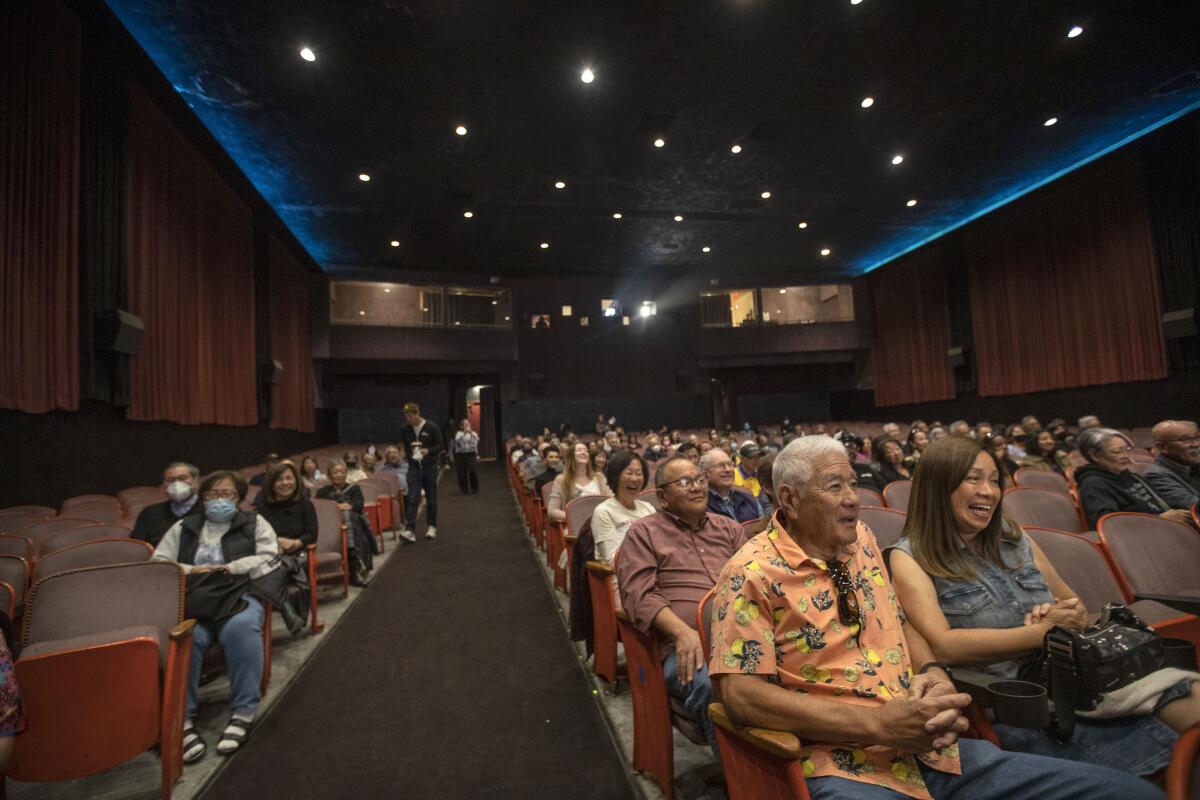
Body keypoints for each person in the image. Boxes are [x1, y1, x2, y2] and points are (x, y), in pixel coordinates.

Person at [709, 436, 1162, 800]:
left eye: (853, 483)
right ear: (788, 498)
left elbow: (897, 619)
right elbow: (741, 695)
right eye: (835, 487)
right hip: (843, 765)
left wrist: (933, 673)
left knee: (1125, 791)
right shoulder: (750, 574)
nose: (853, 499)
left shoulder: (861, 541)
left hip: (934, 751)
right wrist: (878, 725)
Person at [887, 436, 1199, 778]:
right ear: (938, 487)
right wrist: (1041, 631)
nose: (989, 492)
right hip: (1027, 705)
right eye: (974, 479)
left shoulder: (1013, 538)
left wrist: (1062, 616)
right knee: (1173, 757)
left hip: (1078, 677)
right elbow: (944, 645)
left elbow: (1075, 607)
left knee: (1187, 695)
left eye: (994, 480)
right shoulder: (910, 557)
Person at [617, 456, 749, 754]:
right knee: (710, 685)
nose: (697, 488)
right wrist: (682, 633)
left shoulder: (729, 530)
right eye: (684, 482)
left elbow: (755, 584)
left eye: (700, 480)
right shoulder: (643, 533)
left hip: (742, 637)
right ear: (662, 496)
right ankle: (741, 782)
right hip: (683, 646)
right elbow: (640, 595)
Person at [152, 470, 278, 762]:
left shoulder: (254, 523)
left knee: (241, 628)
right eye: (213, 495)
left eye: (227, 495)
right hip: (196, 598)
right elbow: (159, 563)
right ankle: (183, 720)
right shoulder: (185, 527)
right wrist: (192, 570)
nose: (219, 500)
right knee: (187, 637)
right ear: (203, 497)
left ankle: (243, 712)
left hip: (239, 593)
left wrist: (230, 568)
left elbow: (270, 556)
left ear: (238, 498)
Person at [1074, 428, 1189, 528]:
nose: (1125, 456)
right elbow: (1109, 525)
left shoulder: (1132, 476)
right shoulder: (1093, 485)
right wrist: (1159, 519)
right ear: (1095, 455)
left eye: (1127, 450)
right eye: (1116, 452)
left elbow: (1162, 502)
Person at [591, 450, 656, 563]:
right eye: (629, 473)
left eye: (639, 474)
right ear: (615, 476)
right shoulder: (604, 511)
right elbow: (612, 559)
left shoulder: (648, 508)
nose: (634, 479)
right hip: (625, 575)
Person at [316, 459, 374, 585]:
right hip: (330, 527)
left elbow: (358, 506)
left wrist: (341, 507)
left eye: (342, 472)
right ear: (330, 474)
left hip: (353, 525)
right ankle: (354, 564)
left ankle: (354, 565)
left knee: (348, 516)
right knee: (345, 514)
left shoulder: (354, 489)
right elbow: (320, 510)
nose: (339, 475)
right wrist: (339, 508)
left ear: (346, 473)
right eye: (335, 472)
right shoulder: (322, 492)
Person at [399, 403, 445, 542]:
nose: (408, 418)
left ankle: (431, 526)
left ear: (418, 413)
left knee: (431, 497)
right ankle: (410, 530)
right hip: (413, 467)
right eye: (406, 415)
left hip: (429, 466)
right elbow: (406, 446)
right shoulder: (405, 429)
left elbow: (441, 445)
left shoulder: (431, 427)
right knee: (413, 497)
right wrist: (410, 456)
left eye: (410, 415)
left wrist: (428, 451)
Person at [253, 460, 317, 557]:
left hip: (298, 555)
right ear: (272, 484)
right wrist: (277, 542)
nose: (285, 482)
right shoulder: (262, 508)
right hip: (268, 554)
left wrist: (295, 543)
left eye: (289, 478)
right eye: (279, 479)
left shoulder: (306, 505)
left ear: (296, 481)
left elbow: (312, 535)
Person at [132, 461, 203, 548]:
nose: (177, 484)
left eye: (183, 478)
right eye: (170, 480)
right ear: (164, 485)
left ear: (197, 482)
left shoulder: (209, 509)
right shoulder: (150, 513)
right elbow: (136, 548)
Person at [547, 442, 611, 523]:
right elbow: (552, 511)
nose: (583, 452)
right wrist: (577, 517)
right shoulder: (561, 480)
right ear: (571, 456)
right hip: (576, 527)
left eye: (586, 450)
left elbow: (612, 501)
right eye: (579, 450)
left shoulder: (599, 477)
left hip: (601, 523)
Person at [1144, 419, 1200, 510]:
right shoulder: (1156, 475)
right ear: (1162, 447)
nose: (1196, 444)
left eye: (1197, 437)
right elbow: (1195, 507)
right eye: (1185, 439)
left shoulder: (1194, 465)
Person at [702, 448, 760, 523]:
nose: (728, 469)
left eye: (730, 464)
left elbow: (765, 530)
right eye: (720, 465)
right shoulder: (700, 504)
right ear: (706, 474)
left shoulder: (748, 496)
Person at [454, 419, 480, 495]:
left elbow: (474, 444)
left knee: (473, 470)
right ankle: (464, 489)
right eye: (465, 424)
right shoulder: (458, 434)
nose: (467, 426)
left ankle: (474, 488)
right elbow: (459, 443)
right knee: (462, 472)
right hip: (460, 455)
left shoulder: (474, 434)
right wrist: (464, 434)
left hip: (471, 454)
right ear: (461, 426)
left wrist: (470, 433)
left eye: (468, 424)